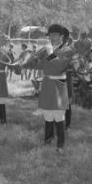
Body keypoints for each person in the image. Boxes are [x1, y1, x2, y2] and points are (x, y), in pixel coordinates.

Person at [23, 24, 74, 153]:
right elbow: (41, 66)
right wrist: (29, 61)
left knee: (58, 115)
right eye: (50, 35)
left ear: (61, 36)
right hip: (47, 83)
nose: (51, 38)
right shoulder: (47, 50)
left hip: (58, 84)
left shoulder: (67, 50)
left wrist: (50, 53)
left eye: (54, 35)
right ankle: (47, 140)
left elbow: (60, 67)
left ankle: (60, 145)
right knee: (48, 114)